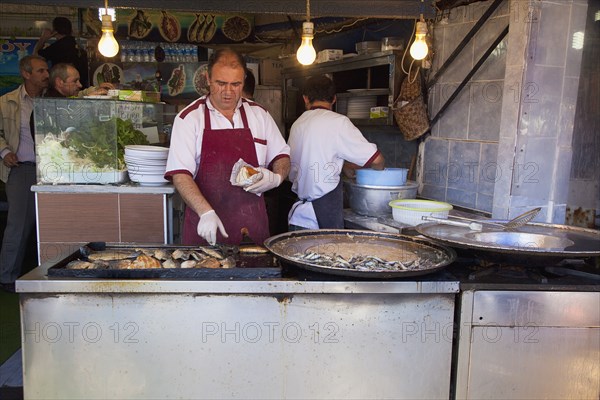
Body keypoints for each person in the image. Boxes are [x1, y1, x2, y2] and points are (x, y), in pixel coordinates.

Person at [164, 48, 290, 246]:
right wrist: (205, 212)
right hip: (206, 231)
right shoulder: (189, 119)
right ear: (208, 78)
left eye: (236, 84)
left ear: (244, 80)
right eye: (221, 83)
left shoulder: (260, 116)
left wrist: (276, 178)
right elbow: (181, 175)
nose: (228, 92)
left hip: (252, 229)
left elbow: (282, 156)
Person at [287, 74, 385, 230]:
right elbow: (377, 159)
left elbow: (304, 165)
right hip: (323, 216)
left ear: (305, 98)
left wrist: (344, 165)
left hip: (299, 216)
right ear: (334, 99)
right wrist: (381, 174)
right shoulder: (338, 122)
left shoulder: (297, 124)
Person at [0, 55, 49, 292]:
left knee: (51, 224)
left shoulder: (51, 100)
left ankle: (48, 274)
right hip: (22, 169)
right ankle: (8, 277)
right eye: (40, 71)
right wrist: (4, 152)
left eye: (46, 70)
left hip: (52, 171)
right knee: (18, 225)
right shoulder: (6, 102)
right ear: (26, 73)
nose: (46, 75)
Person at [34, 17, 89, 87]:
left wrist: (43, 38)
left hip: (63, 86)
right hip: (80, 86)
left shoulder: (57, 47)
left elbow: (35, 58)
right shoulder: (77, 45)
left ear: (55, 31)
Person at [46, 63, 114, 98]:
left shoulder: (68, 95)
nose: (80, 85)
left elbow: (81, 94)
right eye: (75, 81)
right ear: (59, 82)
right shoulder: (51, 102)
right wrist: (87, 101)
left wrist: (97, 89)